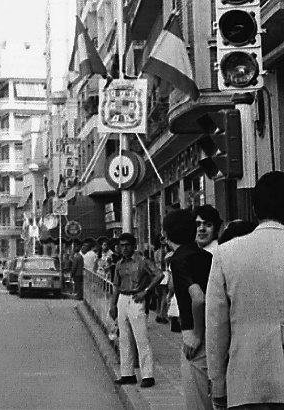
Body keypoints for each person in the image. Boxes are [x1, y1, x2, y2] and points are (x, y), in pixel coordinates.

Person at [207, 171, 284, 410]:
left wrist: (218, 386)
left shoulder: (226, 253)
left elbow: (216, 326)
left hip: (246, 382)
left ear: (253, 210)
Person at [163, 209, 213, 410]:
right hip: (215, 328)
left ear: (167, 234)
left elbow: (198, 298)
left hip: (195, 335)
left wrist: (196, 336)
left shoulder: (179, 259)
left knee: (197, 400)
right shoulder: (206, 256)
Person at [109, 232, 164, 388]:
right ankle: (127, 374)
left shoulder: (143, 261)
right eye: (122, 245)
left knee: (141, 338)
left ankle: (148, 375)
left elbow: (159, 275)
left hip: (136, 299)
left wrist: (146, 290)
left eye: (127, 245)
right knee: (124, 338)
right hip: (122, 298)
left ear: (134, 246)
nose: (124, 248)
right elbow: (115, 285)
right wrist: (113, 304)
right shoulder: (119, 264)